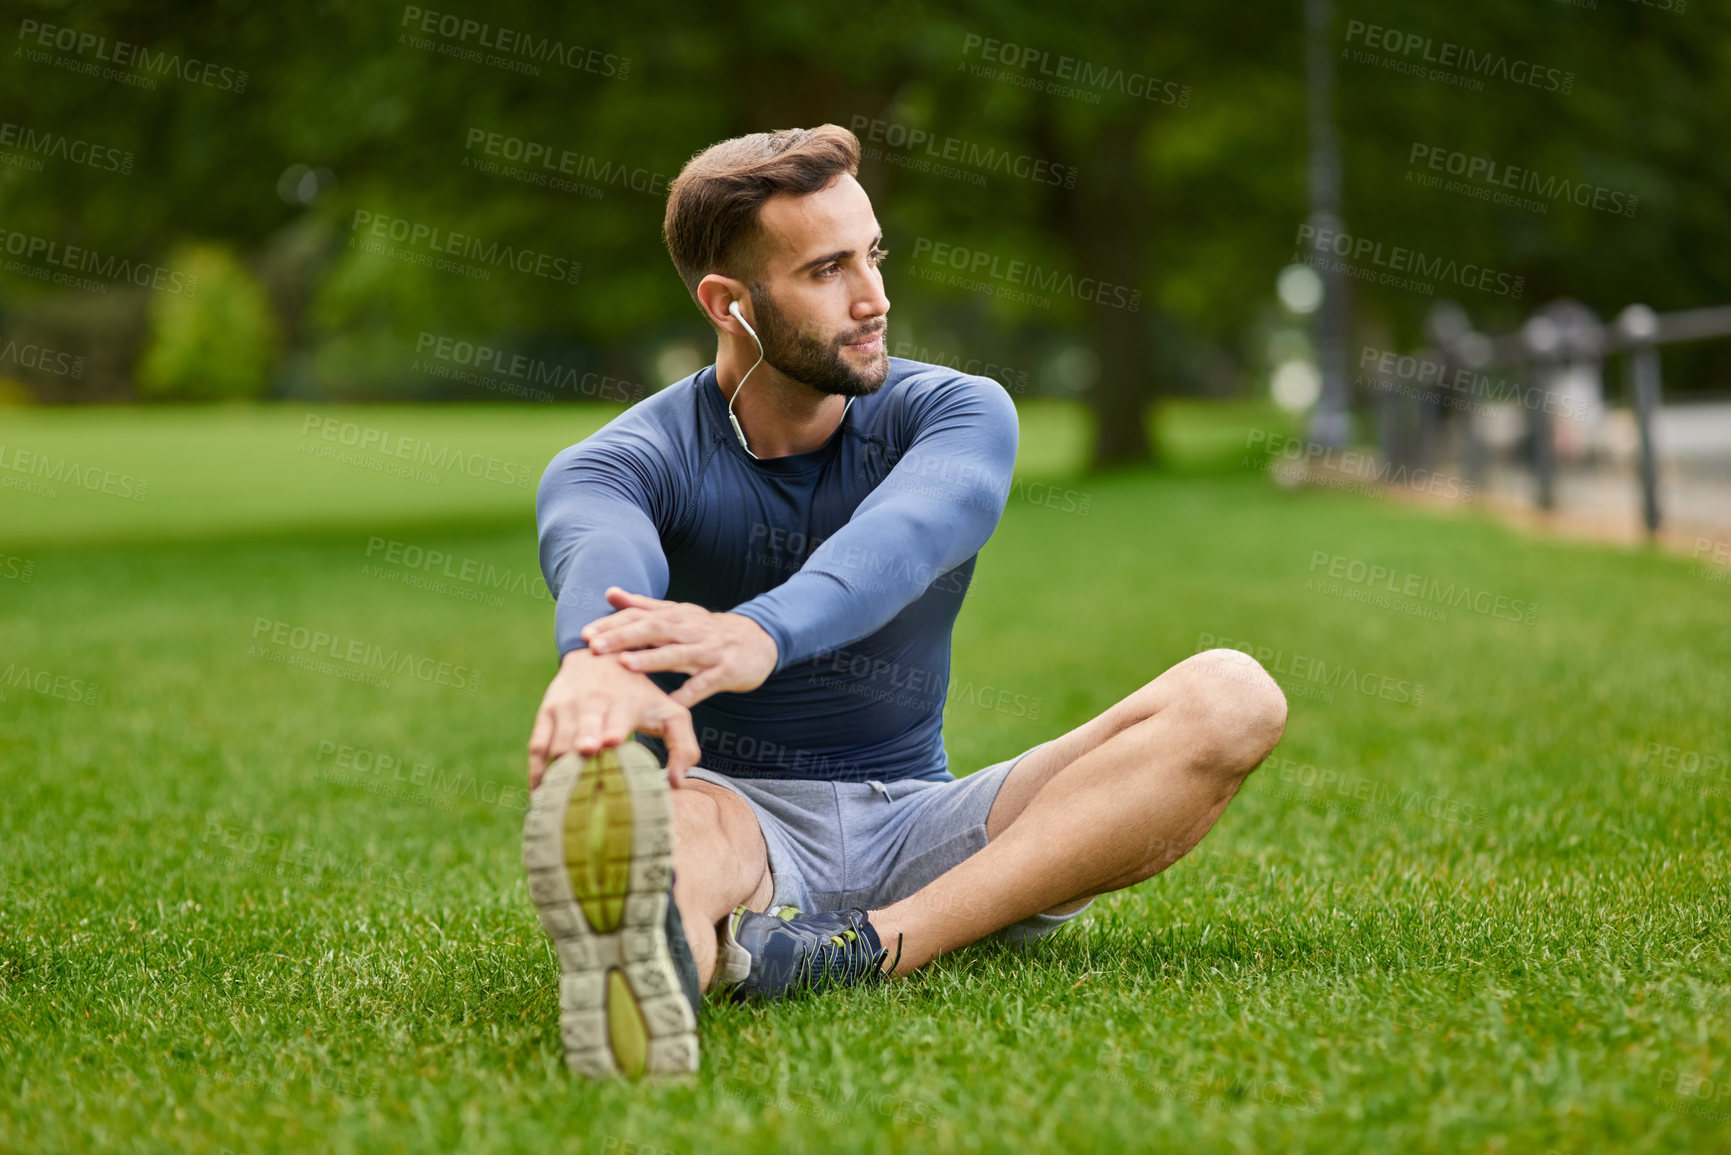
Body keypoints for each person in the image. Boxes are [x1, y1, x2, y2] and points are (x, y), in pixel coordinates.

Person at [522, 124, 1287, 1079]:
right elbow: (598, 550)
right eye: (826, 270)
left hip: (925, 817)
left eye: (872, 255)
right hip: (734, 812)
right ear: (730, 303)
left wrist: (763, 629)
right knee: (654, 831)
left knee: (1234, 693)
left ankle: (867, 945)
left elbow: (909, 537)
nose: (874, 297)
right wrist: (593, 661)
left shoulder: (957, 411)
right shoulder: (622, 461)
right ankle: (656, 965)